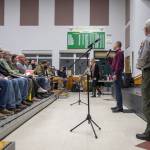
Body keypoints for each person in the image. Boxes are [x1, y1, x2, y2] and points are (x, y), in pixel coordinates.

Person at [136, 19, 150, 141]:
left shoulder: (147, 40)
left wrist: (138, 66)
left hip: (148, 72)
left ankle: (149, 132)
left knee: (147, 102)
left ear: (147, 29)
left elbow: (143, 57)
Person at [110, 41, 124, 113]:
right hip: (115, 73)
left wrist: (115, 73)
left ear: (117, 45)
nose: (113, 45)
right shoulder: (117, 53)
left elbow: (118, 65)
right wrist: (109, 58)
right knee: (117, 90)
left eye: (114, 43)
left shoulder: (119, 53)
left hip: (117, 74)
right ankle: (118, 105)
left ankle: (120, 107)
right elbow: (113, 64)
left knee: (118, 91)